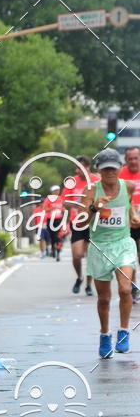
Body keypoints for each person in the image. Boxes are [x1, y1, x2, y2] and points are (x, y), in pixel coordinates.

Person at [78, 148, 140, 358]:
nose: (110, 173)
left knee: (125, 289)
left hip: (122, 244)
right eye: (106, 169)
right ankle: (105, 335)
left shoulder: (128, 187)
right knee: (104, 298)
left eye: (114, 168)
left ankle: (123, 332)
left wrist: (133, 216)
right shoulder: (91, 190)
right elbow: (81, 221)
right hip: (99, 247)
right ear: (100, 171)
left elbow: (129, 207)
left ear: (119, 168)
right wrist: (95, 207)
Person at [62, 156, 99, 295]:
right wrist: (77, 204)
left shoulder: (96, 180)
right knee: (77, 255)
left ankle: (89, 285)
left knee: (91, 256)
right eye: (77, 167)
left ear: (88, 167)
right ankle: (79, 277)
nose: (79, 170)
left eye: (82, 167)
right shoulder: (71, 181)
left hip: (94, 223)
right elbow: (64, 201)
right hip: (77, 222)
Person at [119, 146, 140, 304]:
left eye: (136, 158)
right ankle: (133, 287)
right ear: (126, 160)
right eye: (130, 158)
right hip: (125, 221)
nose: (133, 161)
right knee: (130, 257)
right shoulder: (119, 174)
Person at [42, 185, 65, 260]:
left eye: (58, 190)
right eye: (55, 191)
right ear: (52, 192)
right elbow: (44, 209)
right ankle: (53, 249)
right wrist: (51, 208)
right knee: (52, 236)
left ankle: (58, 252)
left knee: (58, 236)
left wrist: (63, 210)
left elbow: (63, 208)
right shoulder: (48, 199)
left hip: (59, 219)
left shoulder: (61, 199)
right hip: (50, 219)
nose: (57, 192)